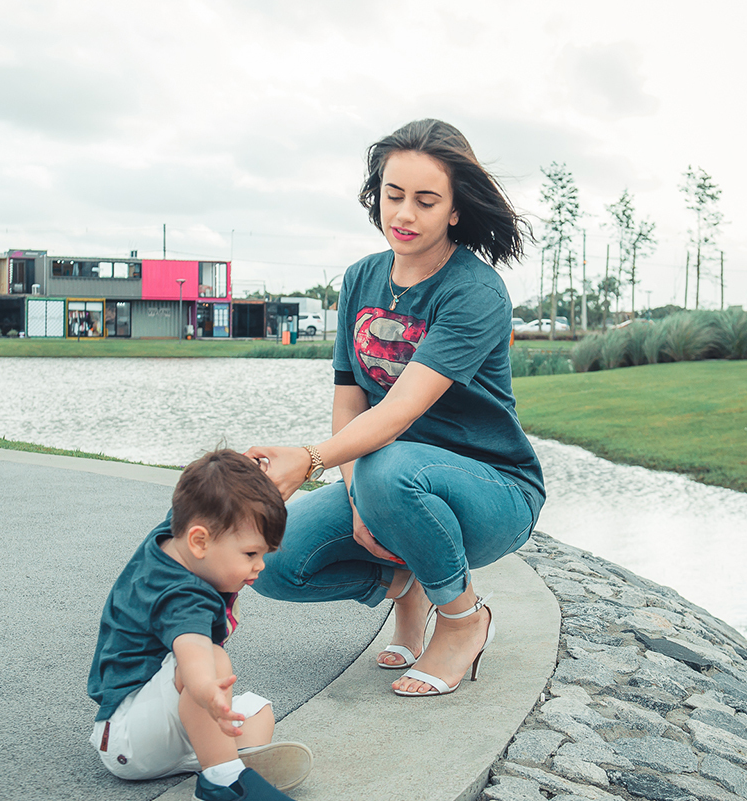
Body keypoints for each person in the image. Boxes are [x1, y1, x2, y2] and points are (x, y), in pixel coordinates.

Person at [245, 119, 545, 698]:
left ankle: (462, 620)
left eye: (426, 201)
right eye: (393, 195)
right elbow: (349, 398)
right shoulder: (361, 277)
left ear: (454, 210)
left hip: (493, 491)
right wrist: (361, 500)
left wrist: (309, 459)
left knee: (388, 465)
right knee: (274, 561)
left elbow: (401, 409)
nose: (404, 214)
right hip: (390, 479)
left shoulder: (474, 291)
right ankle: (407, 588)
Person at [87, 449, 313, 801]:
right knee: (212, 658)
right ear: (199, 541)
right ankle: (222, 783)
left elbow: (206, 496)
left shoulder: (175, 534)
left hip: (164, 726)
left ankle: (225, 761)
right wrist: (205, 689)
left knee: (259, 710)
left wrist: (251, 475)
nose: (260, 566)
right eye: (250, 554)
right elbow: (191, 650)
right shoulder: (184, 596)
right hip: (128, 737)